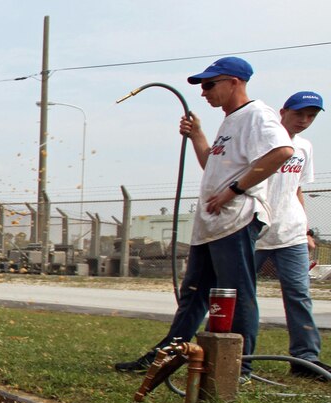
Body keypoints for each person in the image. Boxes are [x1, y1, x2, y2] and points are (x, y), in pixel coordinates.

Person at [115, 57, 294, 378]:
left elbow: (282, 151)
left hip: (236, 219)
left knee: (236, 293)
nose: (204, 92)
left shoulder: (257, 115)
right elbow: (211, 166)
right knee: (194, 295)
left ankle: (239, 366)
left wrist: (234, 191)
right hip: (211, 225)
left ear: (235, 82)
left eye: (210, 84)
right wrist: (198, 135)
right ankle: (167, 356)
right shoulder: (230, 121)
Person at [254, 91, 330, 381]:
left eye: (311, 116)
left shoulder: (305, 147)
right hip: (255, 230)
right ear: (283, 111)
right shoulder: (263, 140)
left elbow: (296, 188)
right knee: (236, 294)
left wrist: (306, 229)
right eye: (299, 114)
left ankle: (306, 360)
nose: (304, 121)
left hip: (292, 234)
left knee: (299, 295)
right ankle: (233, 352)